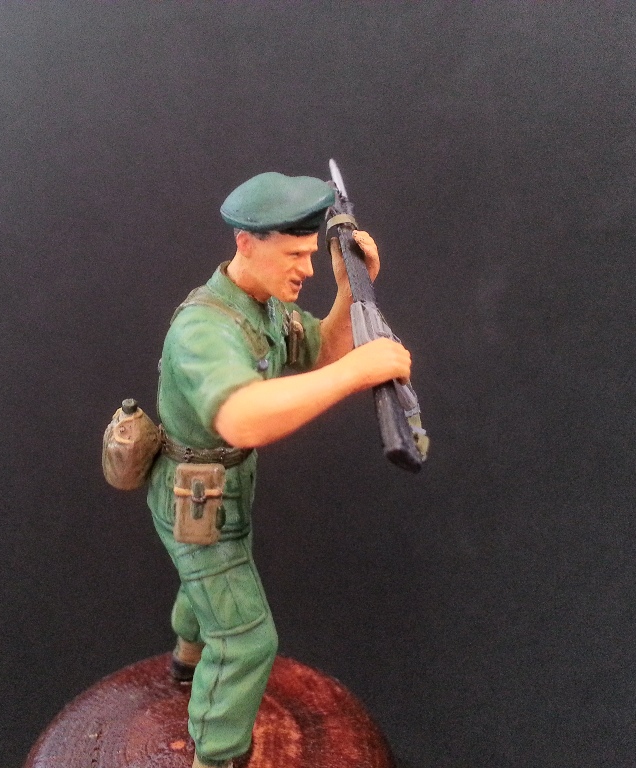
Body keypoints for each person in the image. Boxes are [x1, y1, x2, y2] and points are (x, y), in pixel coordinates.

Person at [147, 171, 411, 768]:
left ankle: (188, 658)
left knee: (211, 581)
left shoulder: (262, 308)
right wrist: (356, 374)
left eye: (310, 254)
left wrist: (348, 291)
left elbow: (320, 349)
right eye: (294, 255)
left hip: (226, 489)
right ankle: (217, 755)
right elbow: (243, 419)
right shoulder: (204, 329)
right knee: (245, 639)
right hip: (197, 497)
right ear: (246, 243)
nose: (307, 269)